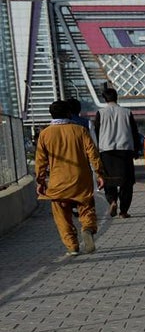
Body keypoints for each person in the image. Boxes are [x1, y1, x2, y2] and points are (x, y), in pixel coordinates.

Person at [35, 100, 107, 256]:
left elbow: (41, 161)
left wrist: (40, 182)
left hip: (57, 182)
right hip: (81, 179)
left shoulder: (45, 134)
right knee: (86, 207)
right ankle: (87, 228)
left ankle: (72, 246)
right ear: (69, 113)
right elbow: (93, 154)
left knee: (61, 215)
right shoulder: (80, 130)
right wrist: (99, 173)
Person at [90, 86, 142, 218]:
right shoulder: (127, 112)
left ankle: (112, 201)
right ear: (116, 97)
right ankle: (124, 211)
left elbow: (96, 133)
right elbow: (134, 132)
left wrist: (96, 151)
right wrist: (136, 150)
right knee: (127, 182)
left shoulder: (100, 113)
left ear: (104, 99)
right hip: (125, 151)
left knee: (108, 181)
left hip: (106, 151)